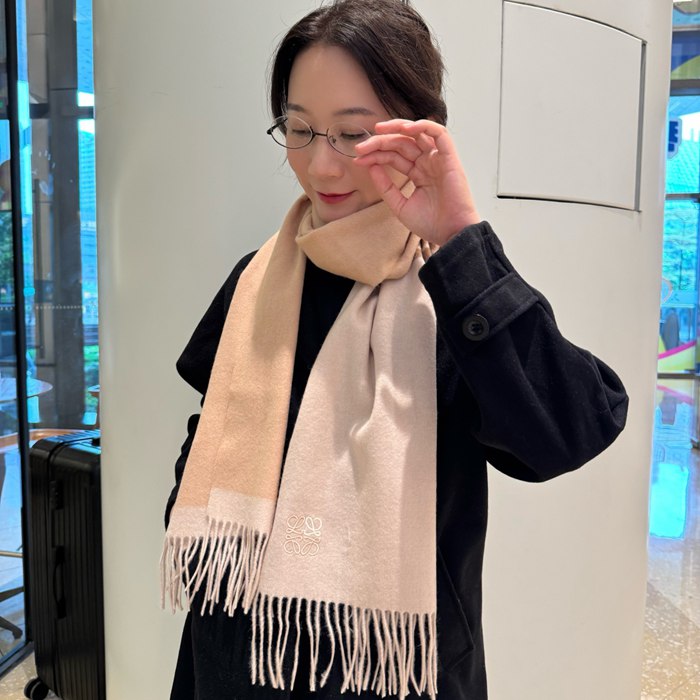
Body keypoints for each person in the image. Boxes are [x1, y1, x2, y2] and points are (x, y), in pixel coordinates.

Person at [162, 1, 629, 699]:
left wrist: (461, 237)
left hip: (391, 666)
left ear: (419, 131)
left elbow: (569, 433)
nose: (321, 163)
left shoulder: (452, 292)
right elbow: (209, 434)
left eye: (354, 134)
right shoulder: (258, 279)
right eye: (299, 129)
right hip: (237, 654)